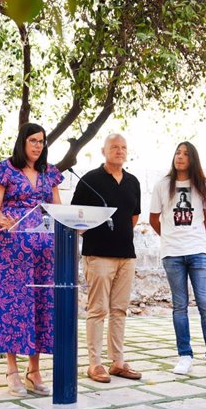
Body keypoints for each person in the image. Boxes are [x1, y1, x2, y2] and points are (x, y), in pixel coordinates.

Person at [0, 122, 63, 397]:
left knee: (39, 305)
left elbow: (56, 207)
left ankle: (34, 370)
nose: (38, 146)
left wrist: (70, 224)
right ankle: (12, 370)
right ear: (22, 142)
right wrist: (7, 222)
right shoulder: (5, 169)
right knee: (14, 307)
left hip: (44, 254)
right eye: (34, 141)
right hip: (11, 252)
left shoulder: (50, 173)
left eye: (42, 141)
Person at [149, 141, 206, 379]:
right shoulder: (163, 185)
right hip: (172, 254)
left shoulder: (204, 185)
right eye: (177, 153)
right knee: (179, 306)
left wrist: (193, 237)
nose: (180, 157)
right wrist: (172, 238)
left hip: (197, 252)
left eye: (185, 154)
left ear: (192, 158)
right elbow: (154, 219)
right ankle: (185, 355)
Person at [70, 133, 142, 383]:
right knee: (97, 310)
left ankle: (118, 362)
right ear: (104, 151)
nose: (119, 151)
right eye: (114, 147)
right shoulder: (90, 180)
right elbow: (76, 216)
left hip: (126, 256)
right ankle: (95, 364)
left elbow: (134, 217)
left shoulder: (133, 181)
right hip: (98, 255)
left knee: (119, 310)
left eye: (123, 147)